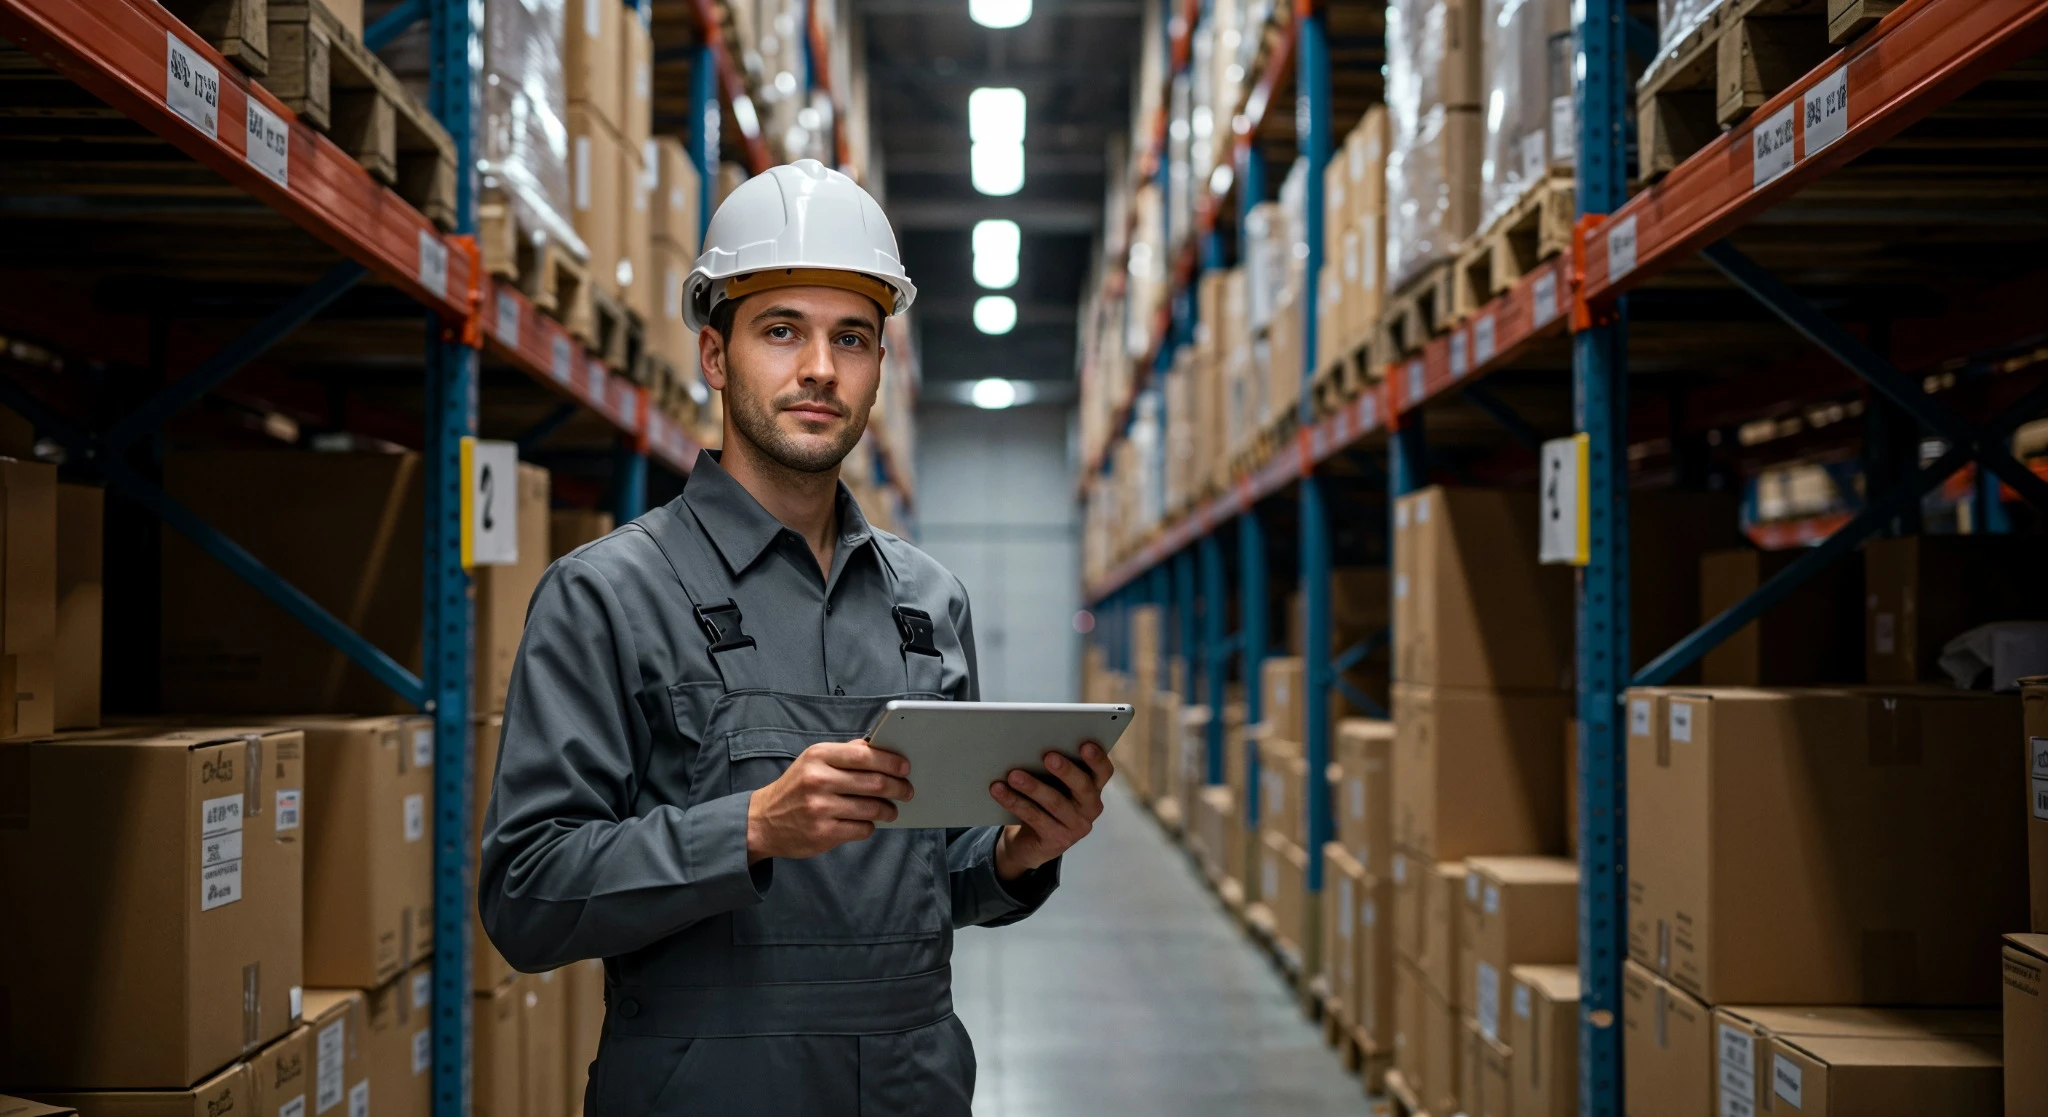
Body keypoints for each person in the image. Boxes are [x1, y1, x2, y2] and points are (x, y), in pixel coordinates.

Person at [477, 159, 1115, 1115]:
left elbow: (934, 877)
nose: (821, 367)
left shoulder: (928, 601)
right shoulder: (607, 594)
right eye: (783, 330)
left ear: (877, 367)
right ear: (715, 354)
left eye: (851, 338)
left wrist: (1020, 850)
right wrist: (751, 826)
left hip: (912, 1085)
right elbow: (527, 894)